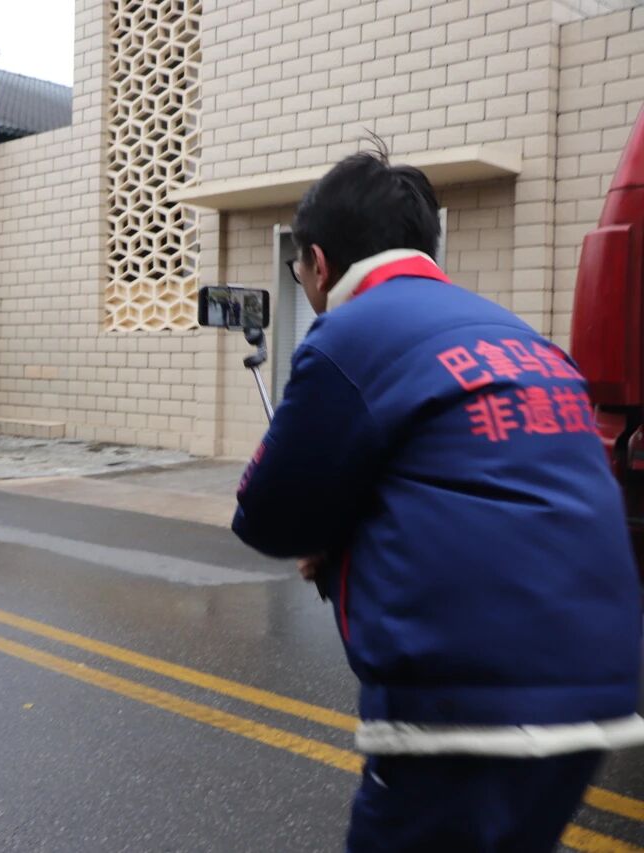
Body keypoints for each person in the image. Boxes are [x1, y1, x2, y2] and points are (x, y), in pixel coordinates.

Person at [231, 150, 644, 852]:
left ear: (319, 265)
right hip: (599, 693)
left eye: (299, 273)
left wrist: (331, 539)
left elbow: (268, 516)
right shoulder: (522, 338)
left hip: (463, 703)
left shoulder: (349, 335)